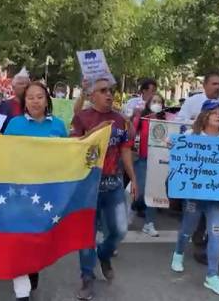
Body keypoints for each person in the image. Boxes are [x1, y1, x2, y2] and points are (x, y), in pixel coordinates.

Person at [71, 78, 138, 301]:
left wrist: (134, 179)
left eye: (110, 91)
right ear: (91, 96)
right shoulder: (82, 117)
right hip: (87, 186)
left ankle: (104, 253)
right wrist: (95, 132)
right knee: (86, 236)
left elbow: (126, 150)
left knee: (119, 230)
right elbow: (74, 148)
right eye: (103, 91)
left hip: (114, 184)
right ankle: (87, 277)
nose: (109, 94)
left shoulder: (120, 120)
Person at [4, 82, 68, 301]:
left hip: (47, 195)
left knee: (37, 239)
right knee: (18, 239)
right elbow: (1, 156)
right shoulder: (14, 125)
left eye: (39, 96)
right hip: (19, 193)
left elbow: (68, 158)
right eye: (30, 97)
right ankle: (21, 291)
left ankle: (33, 269)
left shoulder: (59, 126)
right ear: (24, 102)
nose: (35, 101)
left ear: (47, 100)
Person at [174, 72, 219, 265]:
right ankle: (190, 248)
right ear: (205, 85)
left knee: (216, 221)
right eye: (214, 83)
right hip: (196, 177)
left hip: (217, 179)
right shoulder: (193, 102)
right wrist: (196, 123)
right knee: (192, 219)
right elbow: (178, 124)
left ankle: (211, 253)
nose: (218, 87)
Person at [171, 99, 219, 296]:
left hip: (217, 200)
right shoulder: (192, 136)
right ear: (204, 116)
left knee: (216, 234)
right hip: (195, 197)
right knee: (187, 229)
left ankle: (212, 276)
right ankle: (178, 253)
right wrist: (173, 145)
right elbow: (178, 156)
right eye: (214, 111)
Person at [133, 93, 175, 237]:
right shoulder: (142, 118)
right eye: (154, 101)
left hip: (159, 161)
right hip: (143, 159)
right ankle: (133, 209)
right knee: (140, 192)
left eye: (159, 101)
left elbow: (178, 129)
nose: (157, 103)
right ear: (148, 103)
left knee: (154, 192)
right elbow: (132, 133)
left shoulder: (167, 120)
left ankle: (149, 223)